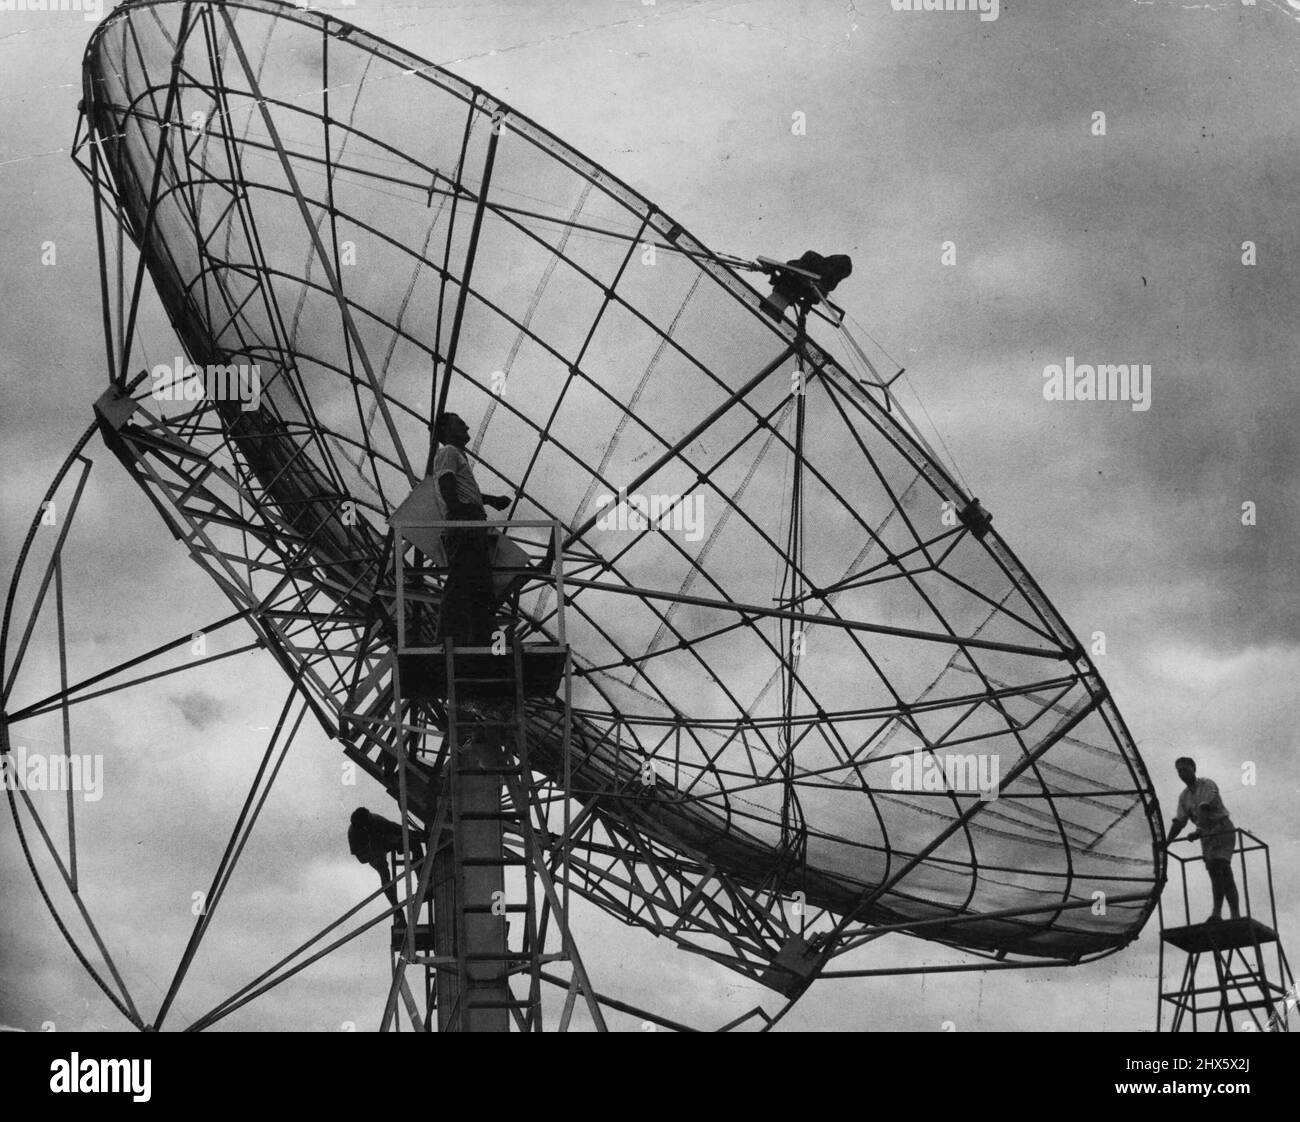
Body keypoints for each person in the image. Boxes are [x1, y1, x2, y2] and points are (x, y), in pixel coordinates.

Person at [429, 413, 512, 647]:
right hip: (465, 523)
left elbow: (461, 489)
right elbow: (447, 484)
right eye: (459, 423)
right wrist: (460, 512)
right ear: (445, 430)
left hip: (470, 521)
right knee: (464, 580)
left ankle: (484, 636)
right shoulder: (449, 453)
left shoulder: (456, 455)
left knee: (479, 582)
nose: (466, 425)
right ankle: (449, 638)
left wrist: (490, 500)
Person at [1164, 757, 1240, 922]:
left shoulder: (1207, 785)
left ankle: (1235, 914)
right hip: (1206, 835)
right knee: (1213, 872)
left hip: (1222, 828)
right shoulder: (1184, 797)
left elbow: (1204, 808)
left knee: (1222, 867)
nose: (1183, 773)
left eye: (1185, 769)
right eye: (1179, 771)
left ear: (1194, 768)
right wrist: (1166, 842)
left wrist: (1198, 830)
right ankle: (1217, 912)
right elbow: (1179, 822)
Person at [348, 807, 426, 922]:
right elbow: (361, 859)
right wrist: (375, 852)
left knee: (414, 843)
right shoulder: (353, 834)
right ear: (362, 826)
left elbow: (394, 827)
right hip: (370, 853)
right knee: (384, 873)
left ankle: (423, 881)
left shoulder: (374, 819)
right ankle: (397, 911)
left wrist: (415, 835)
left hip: (384, 841)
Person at [759, 250, 853, 321]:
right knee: (778, 300)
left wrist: (811, 298)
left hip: (794, 289)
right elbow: (795, 270)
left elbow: (818, 297)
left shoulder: (830, 283)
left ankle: (771, 310)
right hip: (789, 284)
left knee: (777, 303)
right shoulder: (813, 258)